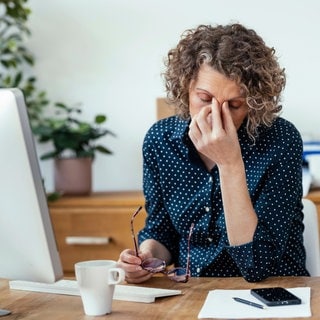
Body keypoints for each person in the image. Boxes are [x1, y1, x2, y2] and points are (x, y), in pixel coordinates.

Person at [118, 23, 309, 283]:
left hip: (272, 290)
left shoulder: (280, 140)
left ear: (253, 104)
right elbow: (162, 232)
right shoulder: (160, 141)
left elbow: (258, 266)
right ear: (185, 87)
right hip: (193, 291)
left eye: (234, 105)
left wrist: (230, 163)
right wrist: (146, 258)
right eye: (205, 99)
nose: (217, 116)